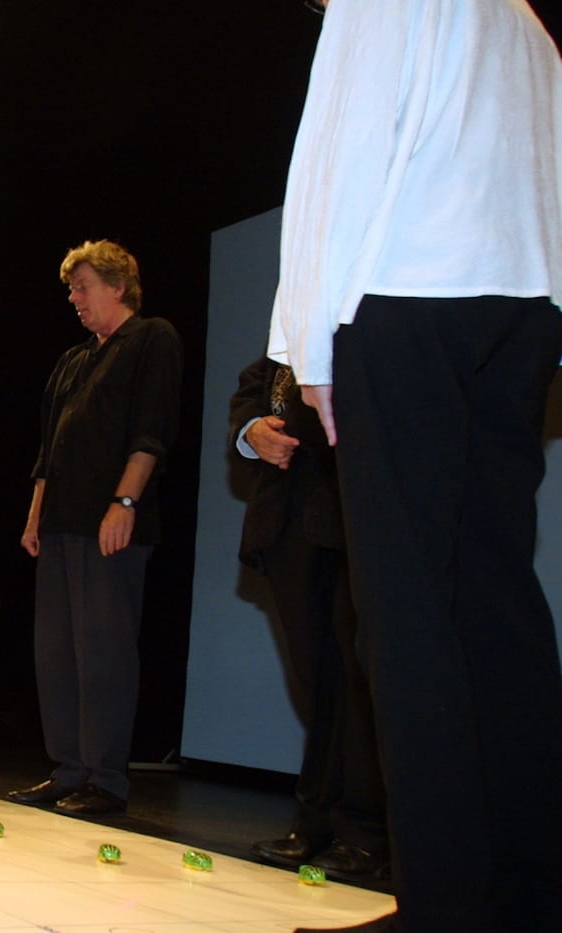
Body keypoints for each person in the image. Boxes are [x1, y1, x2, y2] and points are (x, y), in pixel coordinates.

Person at [268, 1, 562, 930]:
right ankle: (526, 894)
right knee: (498, 605)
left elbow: (340, 157)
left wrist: (307, 344)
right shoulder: (525, 19)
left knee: (405, 614)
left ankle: (443, 903)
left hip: (403, 300)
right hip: (523, 306)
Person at [10, 240, 181, 817]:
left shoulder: (152, 338)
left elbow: (151, 431)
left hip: (110, 521)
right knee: (56, 651)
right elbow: (49, 448)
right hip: (59, 523)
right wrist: (35, 515)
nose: (74, 298)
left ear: (118, 286)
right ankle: (68, 770)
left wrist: (124, 500)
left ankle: (106, 779)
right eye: (71, 289)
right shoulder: (73, 360)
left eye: (83, 286)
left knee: (104, 650)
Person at [231, 357, 387, 883]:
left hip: (354, 521)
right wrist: (252, 430)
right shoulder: (288, 335)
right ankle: (315, 822)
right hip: (290, 524)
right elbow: (253, 389)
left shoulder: (364, 316)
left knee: (357, 683)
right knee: (318, 682)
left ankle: (364, 833)